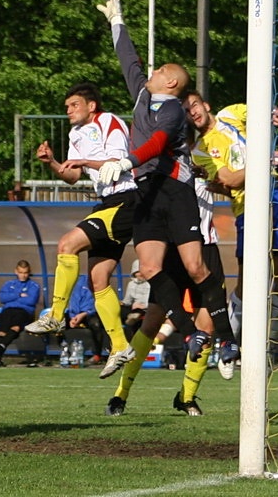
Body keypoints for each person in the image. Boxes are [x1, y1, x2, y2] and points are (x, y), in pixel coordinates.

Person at [94, 0, 236, 381]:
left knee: (194, 268)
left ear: (171, 82)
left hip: (174, 190)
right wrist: (117, 23)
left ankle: (226, 338)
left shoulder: (173, 109)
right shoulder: (144, 93)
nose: (150, 73)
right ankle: (192, 335)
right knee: (150, 267)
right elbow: (128, 61)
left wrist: (125, 160)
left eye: (158, 71)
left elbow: (157, 143)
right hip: (146, 193)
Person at [184, 92, 278, 373]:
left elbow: (262, 112)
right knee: (249, 281)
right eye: (187, 111)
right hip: (247, 205)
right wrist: (263, 161)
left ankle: (268, 346)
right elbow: (229, 180)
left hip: (276, 196)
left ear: (205, 104)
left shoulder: (231, 114)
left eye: (195, 106)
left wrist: (272, 114)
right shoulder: (200, 149)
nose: (193, 113)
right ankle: (229, 345)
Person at [24, 82, 135, 371]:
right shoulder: (75, 133)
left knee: (67, 244)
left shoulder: (109, 121)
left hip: (126, 199)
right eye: (67, 107)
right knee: (98, 280)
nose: (69, 110)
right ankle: (121, 347)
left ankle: (56, 315)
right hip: (106, 203)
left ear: (91, 106)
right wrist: (52, 162)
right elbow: (71, 176)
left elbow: (118, 162)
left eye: (74, 105)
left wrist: (84, 160)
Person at [105, 176, 219, 417]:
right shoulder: (164, 172)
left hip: (206, 249)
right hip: (174, 251)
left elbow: (232, 182)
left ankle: (186, 397)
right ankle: (120, 394)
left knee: (207, 326)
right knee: (152, 320)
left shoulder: (210, 157)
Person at [0, 259, 41, 367]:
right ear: (16, 271)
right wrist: (19, 294)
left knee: (16, 325)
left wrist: (12, 297)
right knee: (2, 329)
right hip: (8, 310)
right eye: (21, 272)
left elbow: (31, 301)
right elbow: (3, 298)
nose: (23, 275)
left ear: (29, 272)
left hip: (24, 311)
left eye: (26, 273)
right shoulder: (9, 284)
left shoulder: (33, 285)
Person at [65, 275, 109, 365]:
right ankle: (65, 353)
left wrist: (85, 313)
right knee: (57, 322)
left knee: (96, 324)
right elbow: (74, 300)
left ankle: (97, 355)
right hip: (76, 314)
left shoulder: (104, 284)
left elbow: (100, 304)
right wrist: (73, 317)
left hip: (91, 314)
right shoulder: (80, 281)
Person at [120, 259, 150, 334]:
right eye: (138, 272)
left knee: (138, 313)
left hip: (147, 308)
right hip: (134, 307)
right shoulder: (131, 284)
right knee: (117, 310)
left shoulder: (151, 283)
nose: (140, 274)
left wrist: (143, 306)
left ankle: (134, 318)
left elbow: (156, 300)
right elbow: (127, 301)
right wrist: (121, 304)